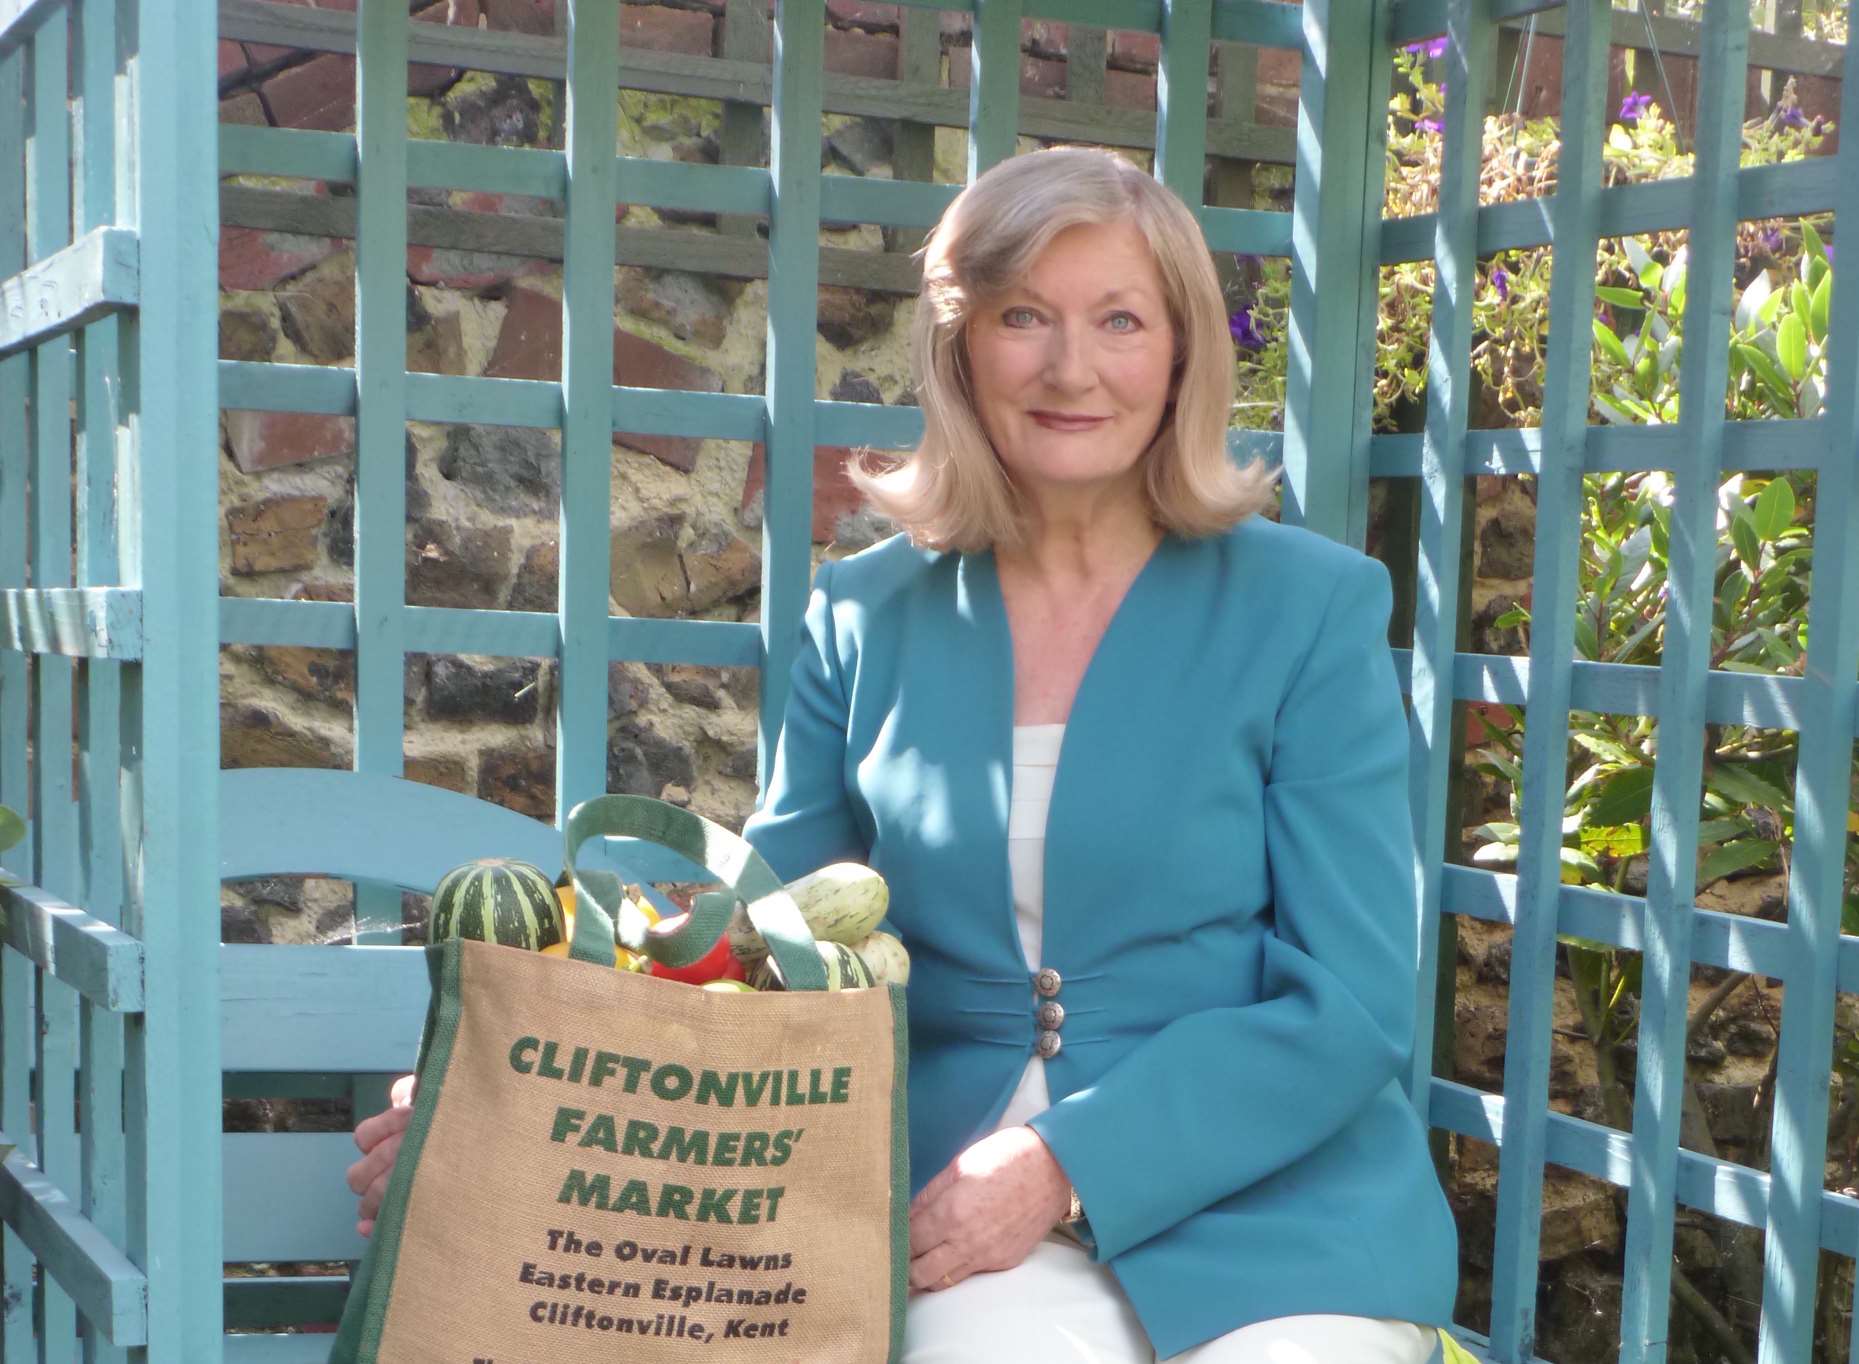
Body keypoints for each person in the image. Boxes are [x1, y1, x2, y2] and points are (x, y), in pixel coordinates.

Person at [350, 146, 1459, 1362]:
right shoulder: (865, 612)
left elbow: (1350, 1001)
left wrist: (1060, 1160)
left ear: (1182, 350)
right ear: (960, 347)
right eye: (1022, 315)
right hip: (948, 1211)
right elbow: (755, 929)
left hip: (1274, 1213)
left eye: (1119, 320)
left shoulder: (1308, 609)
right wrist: (515, 1094)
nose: (1069, 366)